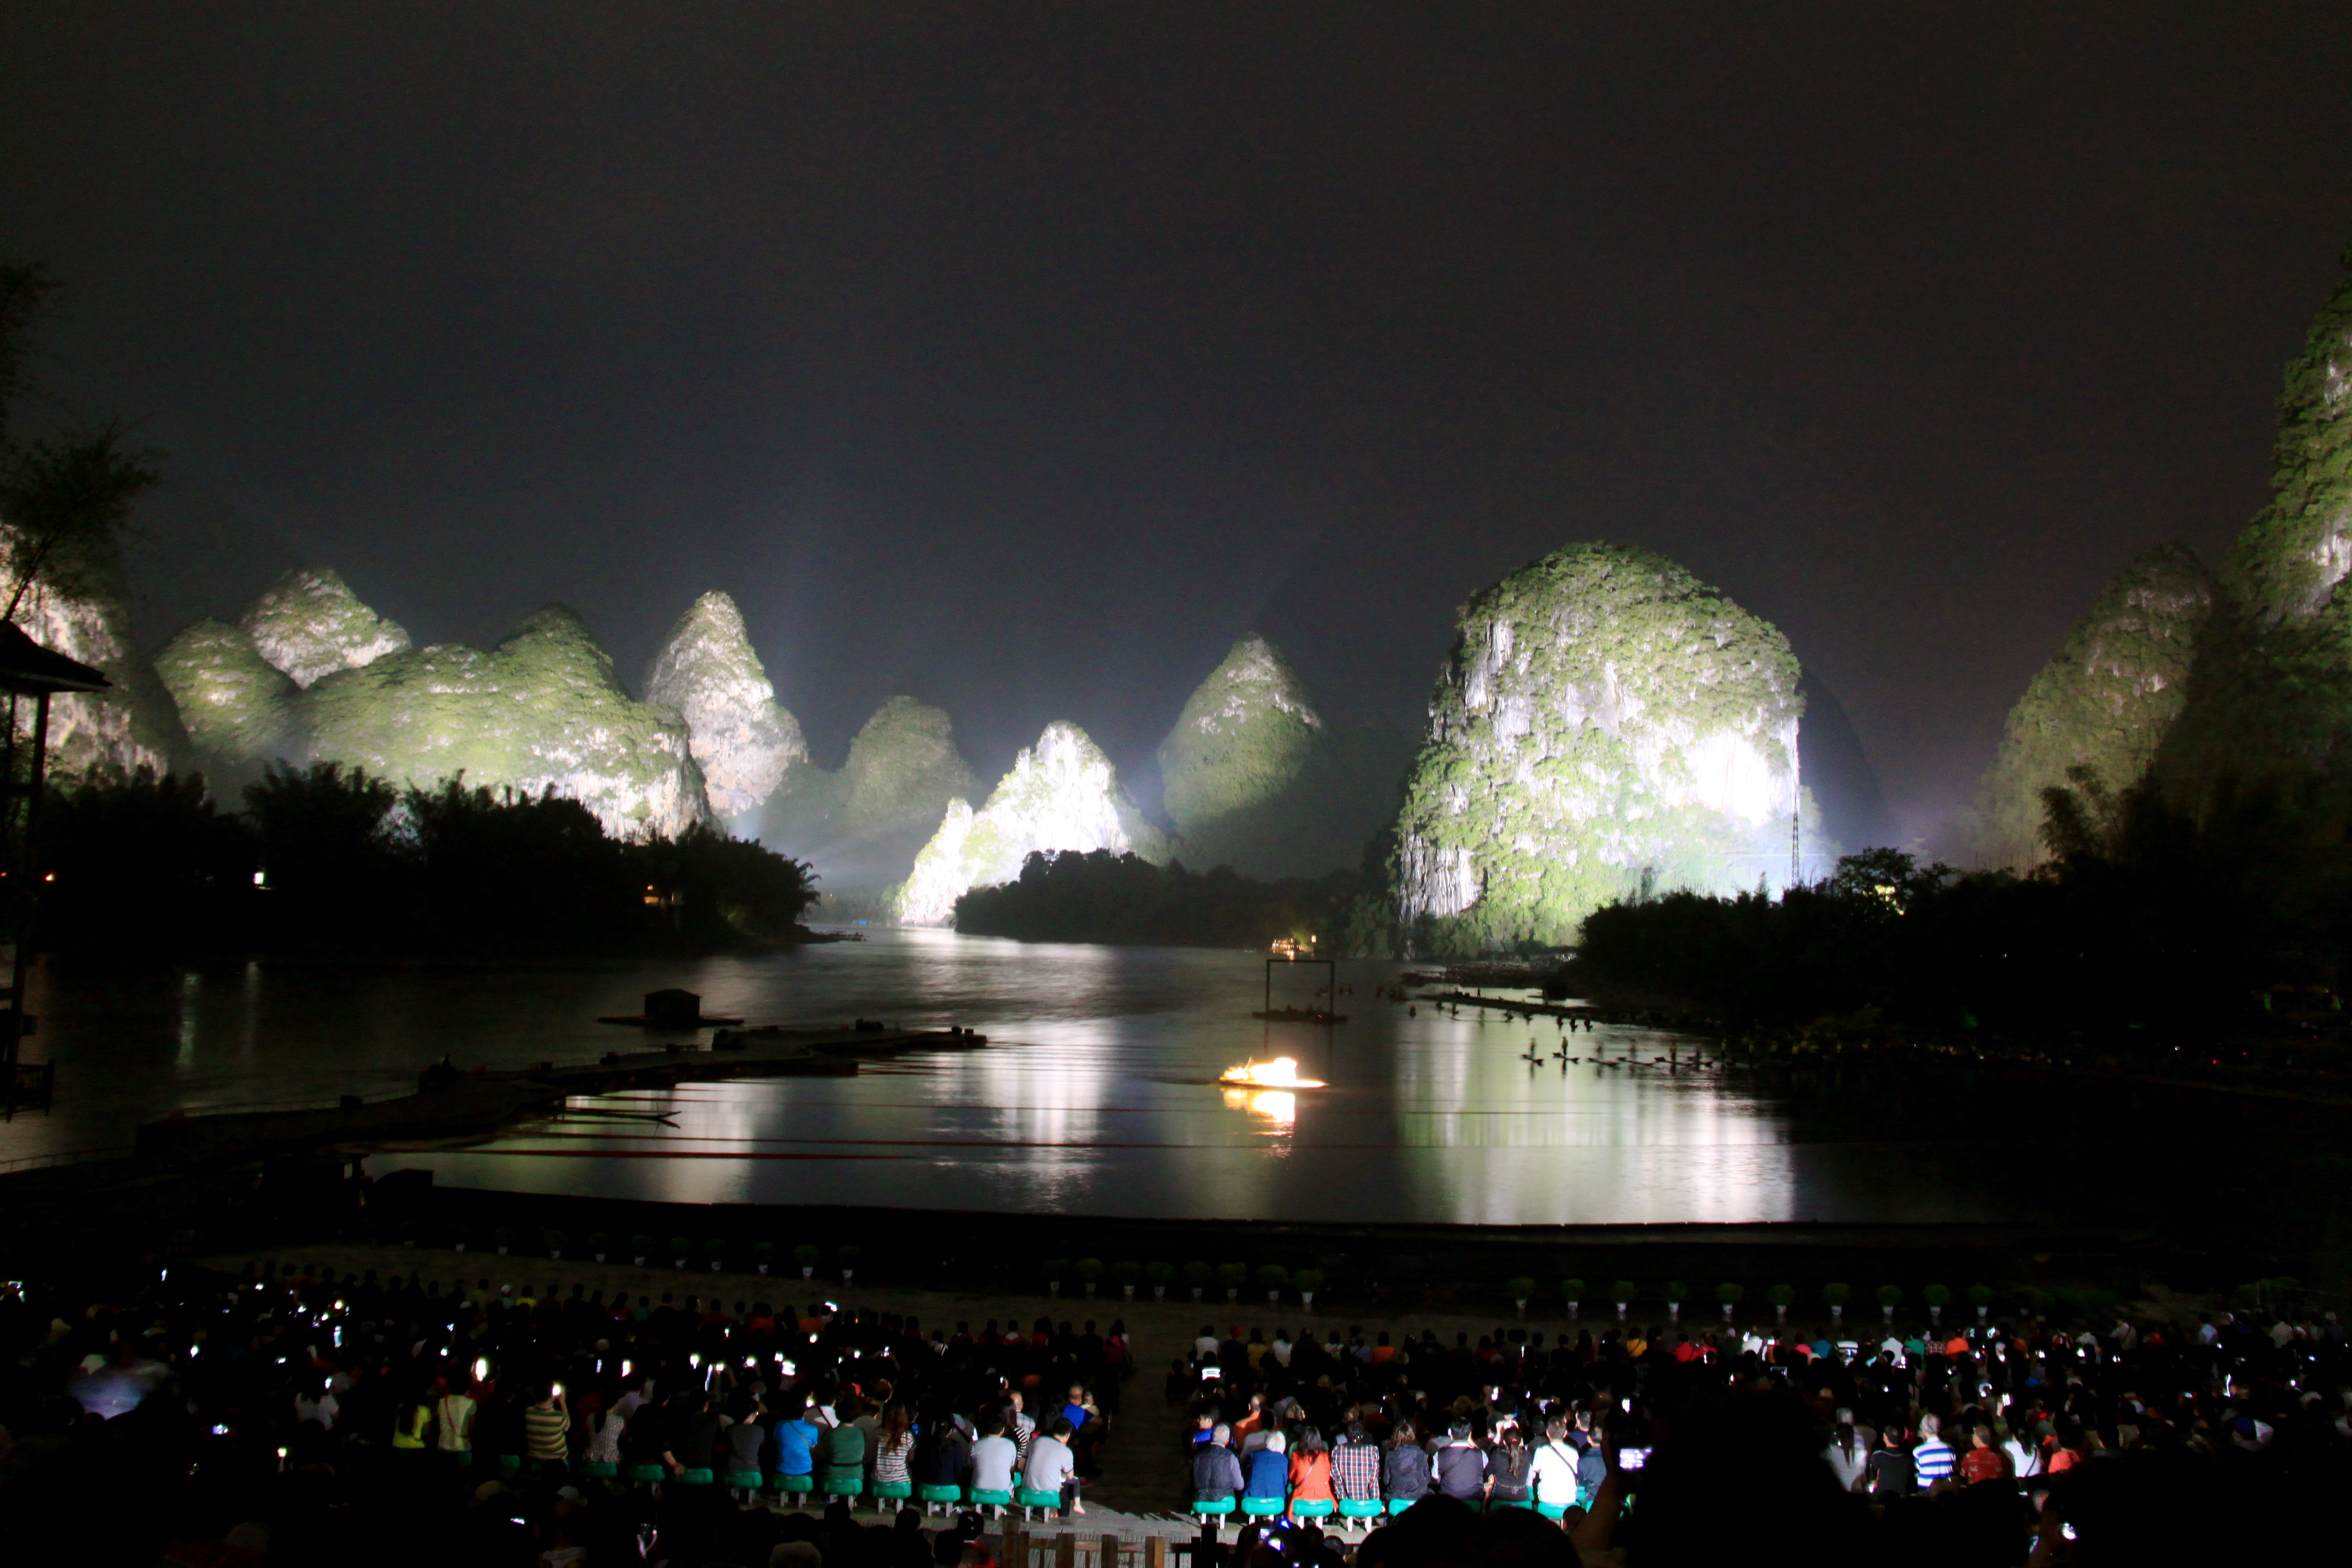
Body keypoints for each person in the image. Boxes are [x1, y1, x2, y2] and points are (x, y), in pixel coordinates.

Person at [1025, 1417, 1080, 1517]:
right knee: (1065, 1485)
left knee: (1039, 1480)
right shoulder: (1066, 1451)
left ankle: (1038, 1512)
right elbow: (1070, 1476)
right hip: (1050, 1493)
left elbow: (1020, 1466)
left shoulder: (1033, 1442)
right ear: (1068, 1435)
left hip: (1026, 1490)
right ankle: (1064, 1515)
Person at [1529, 1417, 1579, 1515]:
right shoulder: (1574, 1453)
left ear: (1547, 1433)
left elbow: (1536, 1470)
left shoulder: (1540, 1451)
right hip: (1569, 1499)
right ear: (1565, 1434)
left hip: (1546, 1498)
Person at [1433, 1419, 1487, 1502]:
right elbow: (1484, 1472)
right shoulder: (1480, 1454)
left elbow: (1436, 1478)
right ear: (1470, 1434)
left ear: (1450, 1433)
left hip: (1448, 1499)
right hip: (1474, 1500)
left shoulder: (1440, 1454)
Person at [970, 1413, 1020, 1502]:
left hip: (979, 1487)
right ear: (1003, 1430)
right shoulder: (1010, 1444)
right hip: (1002, 1489)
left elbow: (970, 1466)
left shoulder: (975, 1444)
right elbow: (1013, 1468)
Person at [1332, 1420, 1381, 1505]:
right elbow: (1374, 1480)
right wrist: (1375, 1501)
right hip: (1368, 1504)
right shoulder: (1372, 1451)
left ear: (1347, 1435)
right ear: (1362, 1435)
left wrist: (1343, 1499)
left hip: (1346, 1504)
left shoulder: (1337, 1451)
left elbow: (1337, 1480)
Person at [1382, 1420, 1430, 1506]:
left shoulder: (1391, 1453)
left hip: (1397, 1495)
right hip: (1419, 1495)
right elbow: (1427, 1478)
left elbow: (1386, 1480)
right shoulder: (1420, 1452)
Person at [526, 1383, 571, 1472]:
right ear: (552, 1395)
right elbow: (567, 1426)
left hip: (535, 1459)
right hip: (557, 1462)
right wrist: (563, 1402)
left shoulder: (529, 1412)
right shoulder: (558, 1417)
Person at [1485, 1421, 1532, 1507]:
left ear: (1504, 1442)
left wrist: (1499, 1435)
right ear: (1521, 1441)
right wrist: (1517, 1434)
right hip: (1522, 1499)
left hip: (1500, 1498)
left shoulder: (1497, 1454)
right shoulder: (1527, 1456)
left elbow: (1488, 1471)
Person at [1193, 1424, 1244, 1503]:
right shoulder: (1231, 1457)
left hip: (1201, 1497)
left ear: (1212, 1438)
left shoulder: (1198, 1456)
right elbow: (1240, 1486)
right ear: (1227, 1441)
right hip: (1224, 1499)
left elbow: (1195, 1480)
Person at [1287, 1425, 1333, 1509]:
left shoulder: (1296, 1456)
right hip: (1323, 1496)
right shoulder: (1325, 1457)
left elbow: (1291, 1477)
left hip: (1302, 1496)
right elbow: (1328, 1476)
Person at [1865, 1426, 1914, 1497]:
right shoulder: (1908, 1458)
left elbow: (1872, 1479)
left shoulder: (1878, 1456)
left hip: (1882, 1498)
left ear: (1885, 1437)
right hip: (1902, 1499)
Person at [1244, 1430, 1289, 1504]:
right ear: (1283, 1446)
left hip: (1252, 1500)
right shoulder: (1284, 1460)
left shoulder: (1254, 1456)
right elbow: (1285, 1482)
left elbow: (1247, 1477)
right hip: (1276, 1502)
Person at [1912, 1415, 1956, 1490]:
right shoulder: (1950, 1449)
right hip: (1946, 1490)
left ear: (1924, 1429)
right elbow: (1953, 1467)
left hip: (1926, 1490)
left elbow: (1918, 1470)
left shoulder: (1919, 1451)